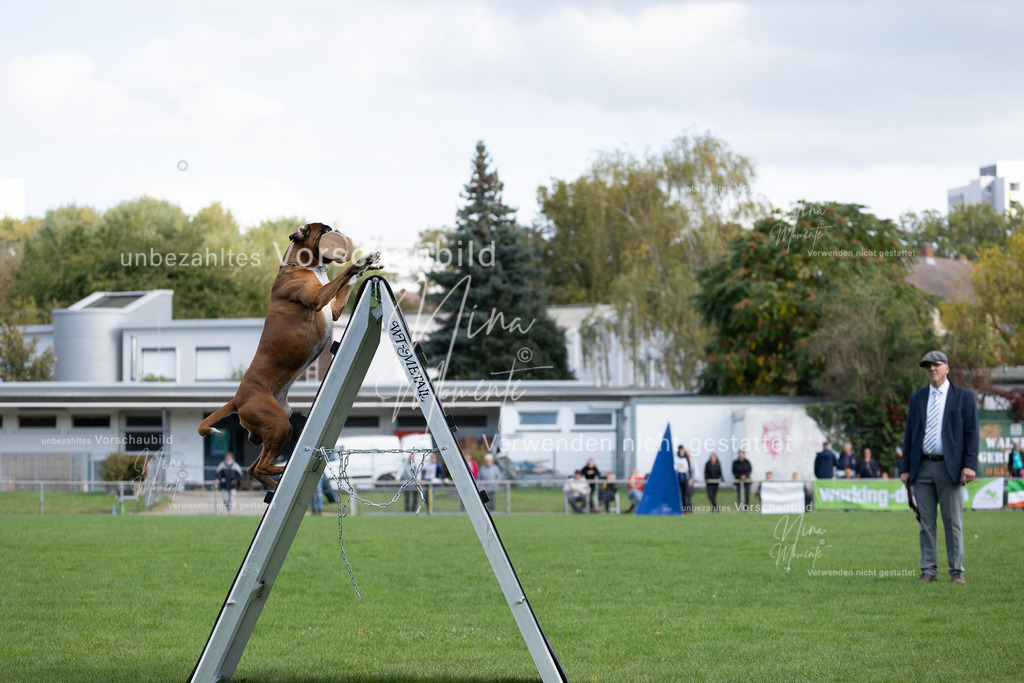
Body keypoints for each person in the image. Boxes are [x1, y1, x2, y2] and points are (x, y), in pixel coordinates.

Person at [900, 350, 978, 584]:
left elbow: (972, 433)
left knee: (953, 522)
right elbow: (909, 434)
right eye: (927, 366)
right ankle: (928, 570)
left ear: (947, 368)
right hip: (921, 467)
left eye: (936, 364)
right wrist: (905, 468)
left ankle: (956, 572)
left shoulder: (964, 397)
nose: (932, 369)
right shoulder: (917, 398)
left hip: (950, 468)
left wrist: (969, 465)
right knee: (926, 523)